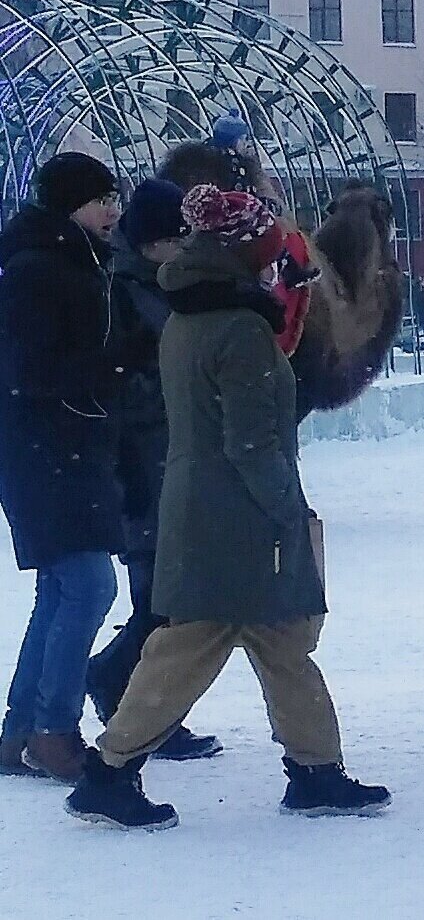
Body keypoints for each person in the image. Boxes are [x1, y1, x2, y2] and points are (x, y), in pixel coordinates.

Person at [66, 183, 389, 830]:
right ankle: (110, 770)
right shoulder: (239, 328)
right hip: (238, 517)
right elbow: (250, 440)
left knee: (279, 639)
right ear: (245, 251)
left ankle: (315, 768)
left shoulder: (193, 313)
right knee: (196, 645)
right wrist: (285, 507)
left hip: (208, 506)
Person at [0, 154, 129, 782]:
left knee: (61, 589)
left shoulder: (74, 263)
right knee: (88, 587)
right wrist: (113, 370)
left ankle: (22, 728)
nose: (113, 210)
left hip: (59, 448)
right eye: (101, 198)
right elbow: (30, 373)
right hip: (46, 450)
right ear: (69, 205)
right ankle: (53, 730)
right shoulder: (38, 270)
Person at [84, 180, 222, 761]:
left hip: (164, 458)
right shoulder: (124, 290)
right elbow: (120, 379)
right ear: (154, 239)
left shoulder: (154, 286)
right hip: (143, 465)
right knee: (164, 605)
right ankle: (130, 701)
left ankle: (138, 705)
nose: (184, 246)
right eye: (176, 237)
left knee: (166, 601)